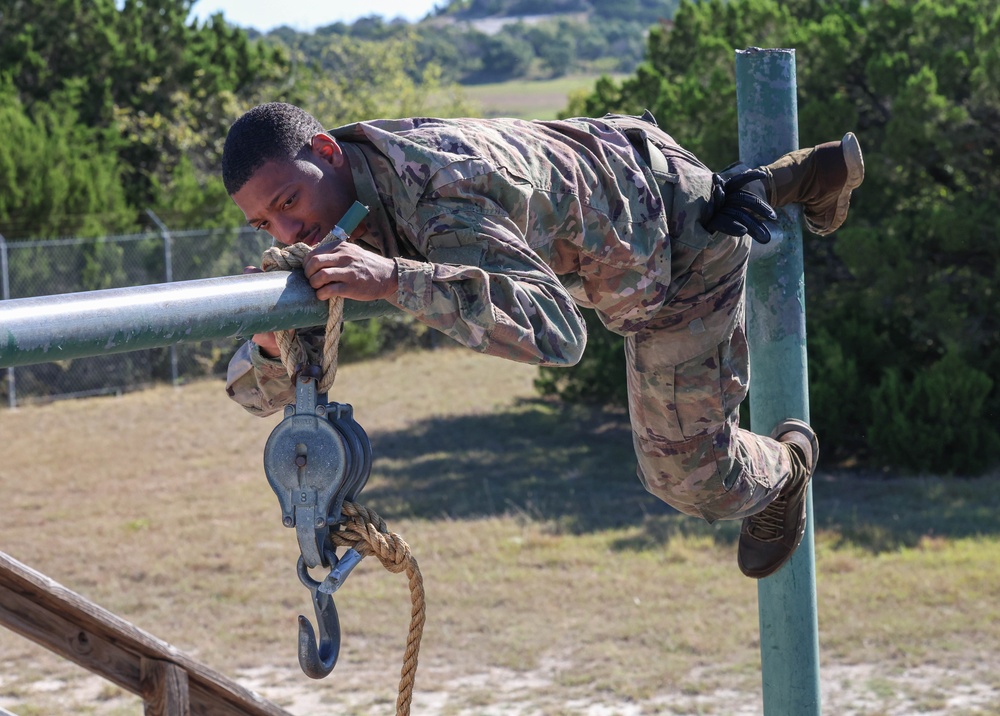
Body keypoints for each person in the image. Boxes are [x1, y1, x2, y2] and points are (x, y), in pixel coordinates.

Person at [223, 103, 864, 579]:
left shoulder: (441, 190)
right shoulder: (340, 202)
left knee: (692, 479)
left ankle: (788, 467)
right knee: (679, 209)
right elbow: (258, 395)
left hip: (674, 253)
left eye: (288, 199)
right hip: (620, 179)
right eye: (263, 221)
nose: (285, 229)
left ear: (329, 152)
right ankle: (778, 181)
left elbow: (558, 336)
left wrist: (395, 279)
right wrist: (275, 346)